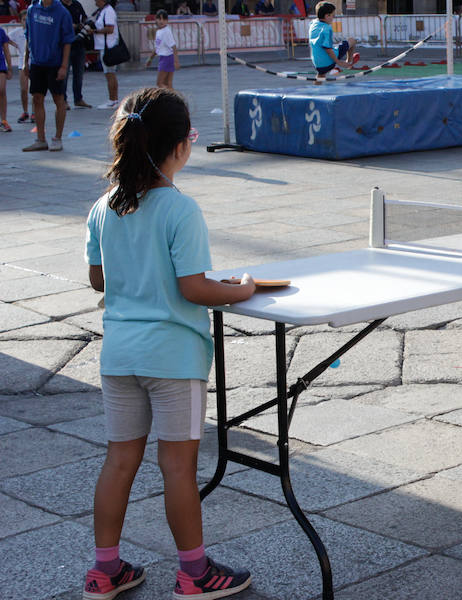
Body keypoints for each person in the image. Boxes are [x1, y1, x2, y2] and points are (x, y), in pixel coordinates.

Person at [83, 87, 257, 600]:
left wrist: (136, 276)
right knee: (178, 466)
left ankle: (105, 570)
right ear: (180, 146)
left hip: (118, 354)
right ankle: (195, 573)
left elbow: (98, 278)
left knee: (119, 461)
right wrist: (241, 288)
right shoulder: (180, 209)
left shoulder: (104, 206)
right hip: (173, 357)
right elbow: (193, 287)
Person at [22, 0, 74, 151]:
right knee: (37, 98)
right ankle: (40, 139)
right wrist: (26, 60)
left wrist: (64, 66)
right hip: (37, 62)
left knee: (59, 99)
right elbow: (28, 36)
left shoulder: (62, 12)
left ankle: (57, 138)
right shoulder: (32, 10)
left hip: (55, 63)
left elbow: (67, 42)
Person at [309, 1, 358, 79]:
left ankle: (317, 86)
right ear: (327, 15)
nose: (333, 17)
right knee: (352, 41)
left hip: (318, 64)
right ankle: (349, 63)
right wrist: (339, 62)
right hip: (329, 62)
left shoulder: (313, 24)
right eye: (332, 15)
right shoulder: (327, 29)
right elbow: (327, 48)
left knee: (321, 75)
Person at [89, 0, 119, 109]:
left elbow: (110, 29)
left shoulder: (108, 11)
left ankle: (113, 99)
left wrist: (95, 31)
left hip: (108, 47)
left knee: (110, 73)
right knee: (109, 73)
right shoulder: (103, 11)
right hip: (104, 46)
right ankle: (113, 99)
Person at [61, 0, 91, 108]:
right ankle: (63, 100)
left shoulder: (77, 4)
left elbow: (84, 17)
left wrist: (84, 24)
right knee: (64, 74)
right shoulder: (59, 5)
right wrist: (70, 26)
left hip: (79, 43)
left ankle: (78, 99)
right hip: (65, 44)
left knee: (79, 73)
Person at [146, 9, 178, 89]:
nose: (161, 21)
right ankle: (174, 99)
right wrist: (150, 59)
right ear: (156, 19)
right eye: (159, 19)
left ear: (167, 21)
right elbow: (157, 48)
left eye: (164, 19)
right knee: (167, 83)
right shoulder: (159, 32)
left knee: (160, 83)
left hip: (166, 58)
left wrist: (176, 61)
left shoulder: (166, 32)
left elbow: (173, 46)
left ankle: (173, 98)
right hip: (166, 58)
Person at [9, 24, 30, 124]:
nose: (25, 21)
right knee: (23, 89)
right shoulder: (18, 31)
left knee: (35, 90)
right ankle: (25, 111)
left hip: (34, 62)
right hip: (22, 62)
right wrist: (16, 45)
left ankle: (34, 112)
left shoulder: (34, 28)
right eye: (23, 19)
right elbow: (6, 37)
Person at [0, 26, 11, 132]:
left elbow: (6, 50)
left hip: (1, 65)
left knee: (2, 91)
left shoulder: (1, 31)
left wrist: (10, 67)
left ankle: (4, 120)